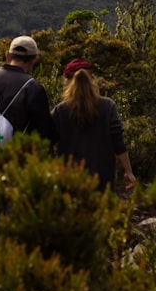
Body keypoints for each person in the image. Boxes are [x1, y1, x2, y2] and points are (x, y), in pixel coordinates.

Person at [52, 58, 135, 192]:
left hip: (69, 176)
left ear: (67, 81)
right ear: (93, 80)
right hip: (102, 177)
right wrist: (128, 172)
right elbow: (118, 143)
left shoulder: (60, 110)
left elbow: (48, 140)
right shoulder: (108, 106)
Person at [0, 35, 58, 146]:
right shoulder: (33, 88)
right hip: (15, 157)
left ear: (8, 55)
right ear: (34, 60)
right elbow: (44, 131)